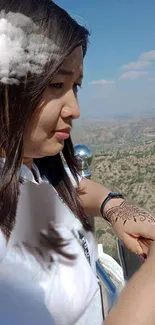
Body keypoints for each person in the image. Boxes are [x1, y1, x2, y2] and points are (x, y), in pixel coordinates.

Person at [0, 1, 155, 324]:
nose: (74, 109)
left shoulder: (32, 167)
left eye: (76, 86)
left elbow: (77, 189)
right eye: (57, 85)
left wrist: (114, 207)